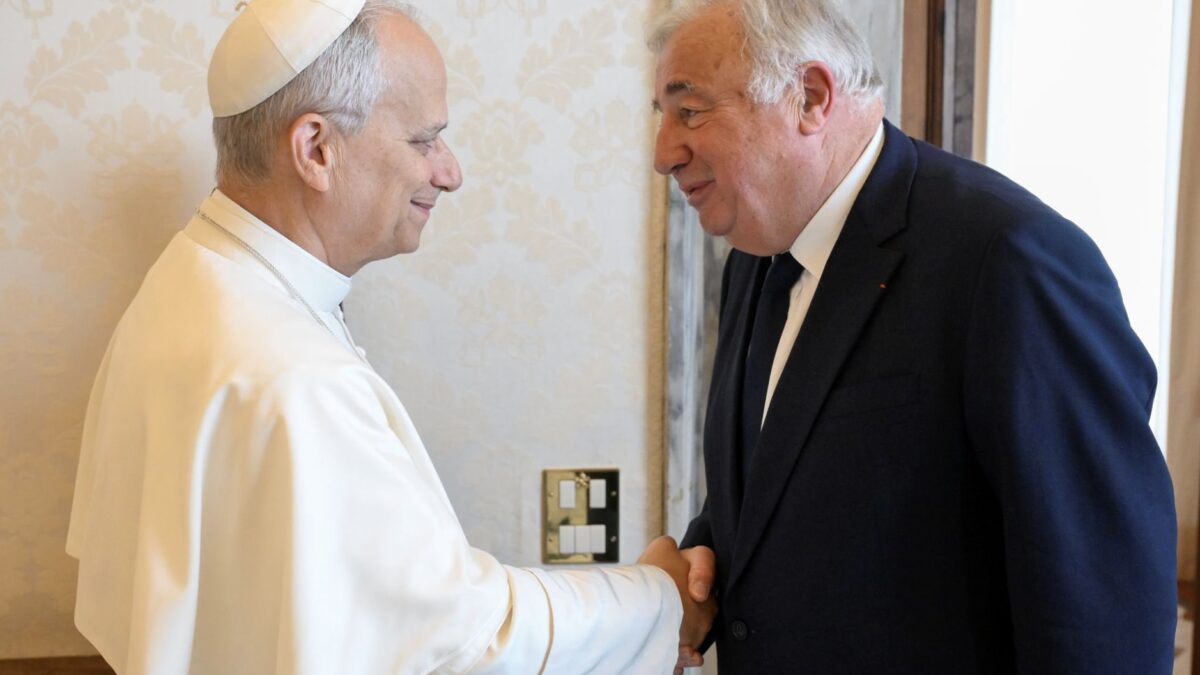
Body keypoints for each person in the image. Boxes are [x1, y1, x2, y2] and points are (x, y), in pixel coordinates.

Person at [66, 1, 715, 673]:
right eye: (423, 140)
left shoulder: (186, 277)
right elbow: (462, 646)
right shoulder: (298, 382)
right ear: (316, 149)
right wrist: (660, 601)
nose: (450, 172)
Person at [648, 0, 1177, 672]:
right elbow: (781, 484)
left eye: (690, 111)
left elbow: (1101, 605)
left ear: (809, 97)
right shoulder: (755, 260)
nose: (663, 152)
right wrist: (696, 567)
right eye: (661, 115)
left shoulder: (1011, 260)